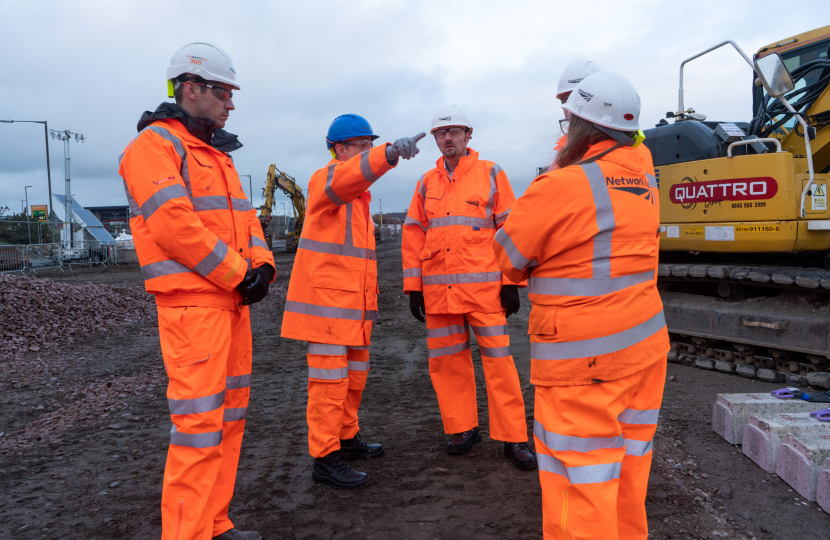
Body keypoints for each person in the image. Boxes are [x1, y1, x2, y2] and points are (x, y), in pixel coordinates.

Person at [493, 71, 668, 539]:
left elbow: (508, 257)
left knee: (581, 479)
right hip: (644, 349)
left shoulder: (561, 185)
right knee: (628, 474)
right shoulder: (644, 174)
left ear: (578, 125)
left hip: (583, 363)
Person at [119, 43, 274, 540]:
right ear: (192, 88)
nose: (231, 103)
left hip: (230, 306)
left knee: (226, 423)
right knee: (198, 429)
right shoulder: (154, 146)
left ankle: (214, 523)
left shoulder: (217, 155)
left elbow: (248, 221)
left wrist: (264, 267)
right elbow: (173, 225)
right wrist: (238, 273)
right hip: (193, 308)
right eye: (224, 92)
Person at [281, 114, 424, 489]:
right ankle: (325, 458)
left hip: (353, 308)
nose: (368, 151)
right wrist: (388, 154)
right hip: (327, 308)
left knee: (353, 379)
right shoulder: (326, 179)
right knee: (329, 384)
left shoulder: (358, 197)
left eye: (370, 145)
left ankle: (346, 438)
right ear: (339, 149)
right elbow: (348, 178)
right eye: (363, 146)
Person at [401, 105, 537, 470]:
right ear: (435, 139)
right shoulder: (425, 182)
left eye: (455, 132)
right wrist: (414, 287)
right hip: (438, 293)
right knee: (447, 365)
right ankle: (462, 428)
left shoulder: (491, 173)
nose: (448, 138)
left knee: (500, 364)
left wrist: (511, 282)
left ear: (468, 135)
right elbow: (413, 234)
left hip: (484, 292)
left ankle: (513, 438)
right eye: (441, 133)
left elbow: (511, 229)